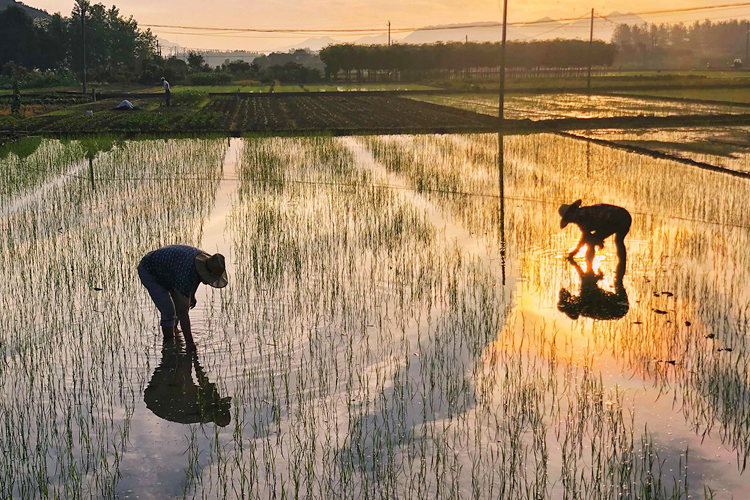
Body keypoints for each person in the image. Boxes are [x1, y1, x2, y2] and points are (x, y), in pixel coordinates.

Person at [138, 245, 228, 350]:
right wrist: (190, 343)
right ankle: (169, 345)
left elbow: (196, 277)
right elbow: (182, 312)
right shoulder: (186, 272)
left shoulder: (204, 262)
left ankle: (175, 334)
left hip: (169, 269)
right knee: (169, 312)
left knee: (178, 305)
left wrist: (192, 295)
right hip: (149, 269)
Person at [144, 335, 231, 426]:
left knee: (172, 360)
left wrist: (192, 356)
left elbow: (191, 377)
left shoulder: (205, 406)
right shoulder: (208, 407)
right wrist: (193, 358)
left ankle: (173, 337)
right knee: (174, 360)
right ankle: (174, 332)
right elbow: (200, 378)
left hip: (157, 398)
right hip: (156, 399)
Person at [558, 199, 631, 265]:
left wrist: (575, 252)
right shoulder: (584, 211)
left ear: (570, 213)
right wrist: (598, 239)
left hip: (613, 219)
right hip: (625, 216)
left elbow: (585, 236)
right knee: (619, 241)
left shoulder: (580, 216)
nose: (570, 221)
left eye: (568, 218)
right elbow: (587, 234)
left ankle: (589, 267)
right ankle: (622, 263)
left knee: (591, 243)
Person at [558, 254, 628, 321]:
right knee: (618, 282)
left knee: (618, 282)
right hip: (619, 308)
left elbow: (585, 278)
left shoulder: (582, 307)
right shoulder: (584, 301)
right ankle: (622, 258)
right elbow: (583, 276)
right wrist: (574, 262)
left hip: (620, 309)